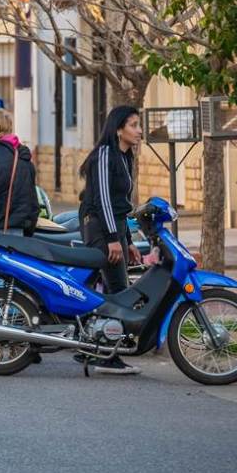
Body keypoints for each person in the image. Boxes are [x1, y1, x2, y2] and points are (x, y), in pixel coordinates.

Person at [77, 105, 144, 375]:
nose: (139, 131)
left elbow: (121, 206)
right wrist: (113, 239)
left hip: (113, 227)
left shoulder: (125, 157)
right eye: (134, 125)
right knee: (117, 287)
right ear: (118, 129)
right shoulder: (105, 154)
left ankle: (92, 346)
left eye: (139, 125)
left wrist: (127, 240)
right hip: (97, 226)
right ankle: (106, 355)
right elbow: (103, 200)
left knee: (110, 285)